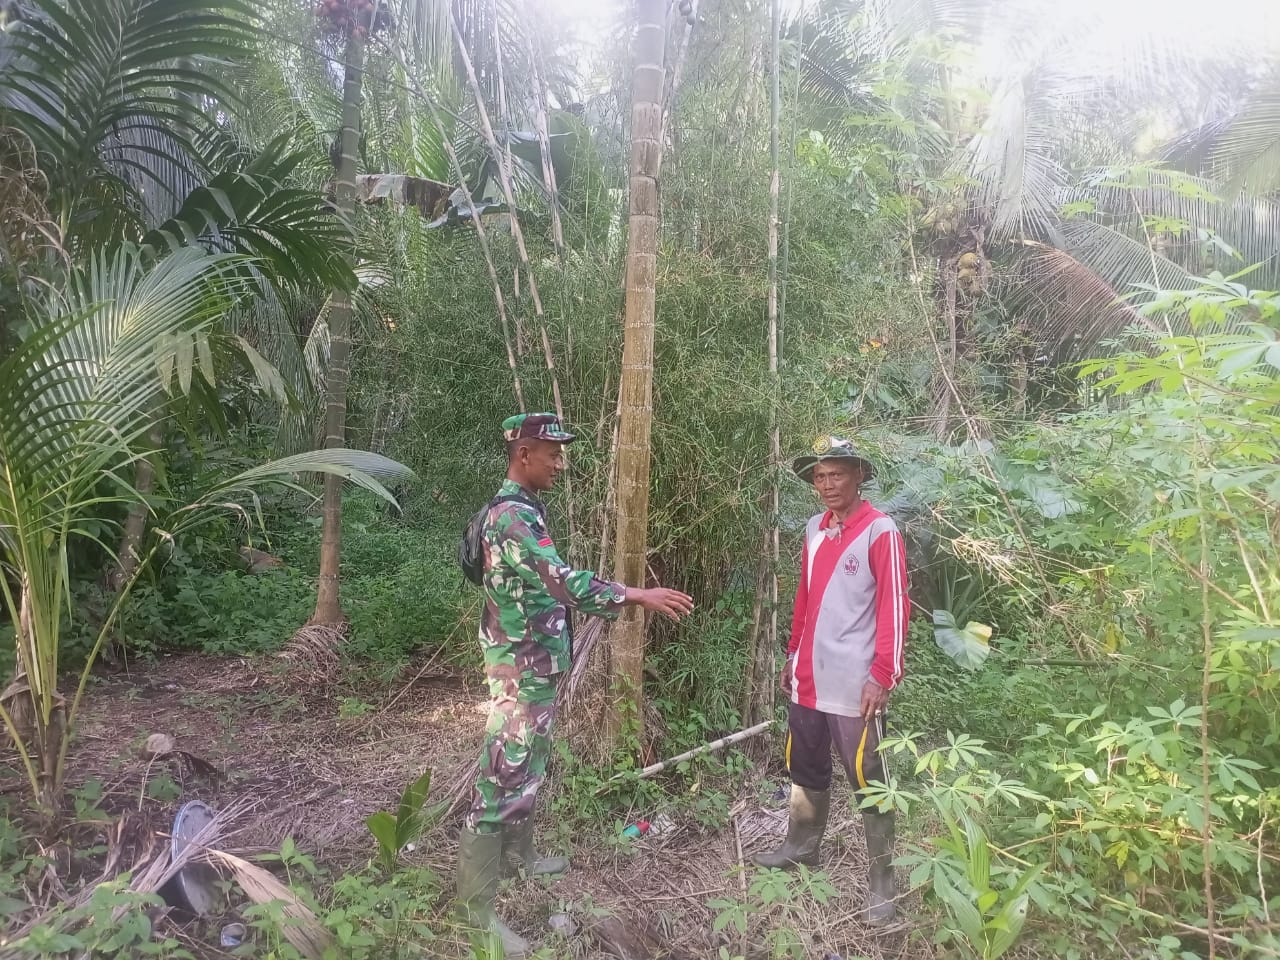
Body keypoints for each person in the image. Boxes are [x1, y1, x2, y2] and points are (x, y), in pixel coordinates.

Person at [456, 412, 695, 957]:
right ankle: (476, 916)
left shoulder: (525, 511)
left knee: (530, 760)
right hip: (518, 666)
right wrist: (636, 595)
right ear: (524, 454)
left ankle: (520, 859)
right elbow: (559, 581)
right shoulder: (512, 518)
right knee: (502, 770)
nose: (561, 463)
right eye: (553, 453)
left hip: (535, 661)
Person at [752, 435, 909, 926]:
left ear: (858, 475)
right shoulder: (814, 529)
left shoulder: (879, 531)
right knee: (805, 765)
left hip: (854, 682)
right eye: (819, 477)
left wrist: (883, 675)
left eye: (836, 473)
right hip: (809, 678)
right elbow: (806, 596)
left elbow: (894, 607)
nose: (826, 484)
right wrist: (792, 652)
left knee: (869, 778)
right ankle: (801, 848)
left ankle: (883, 884)